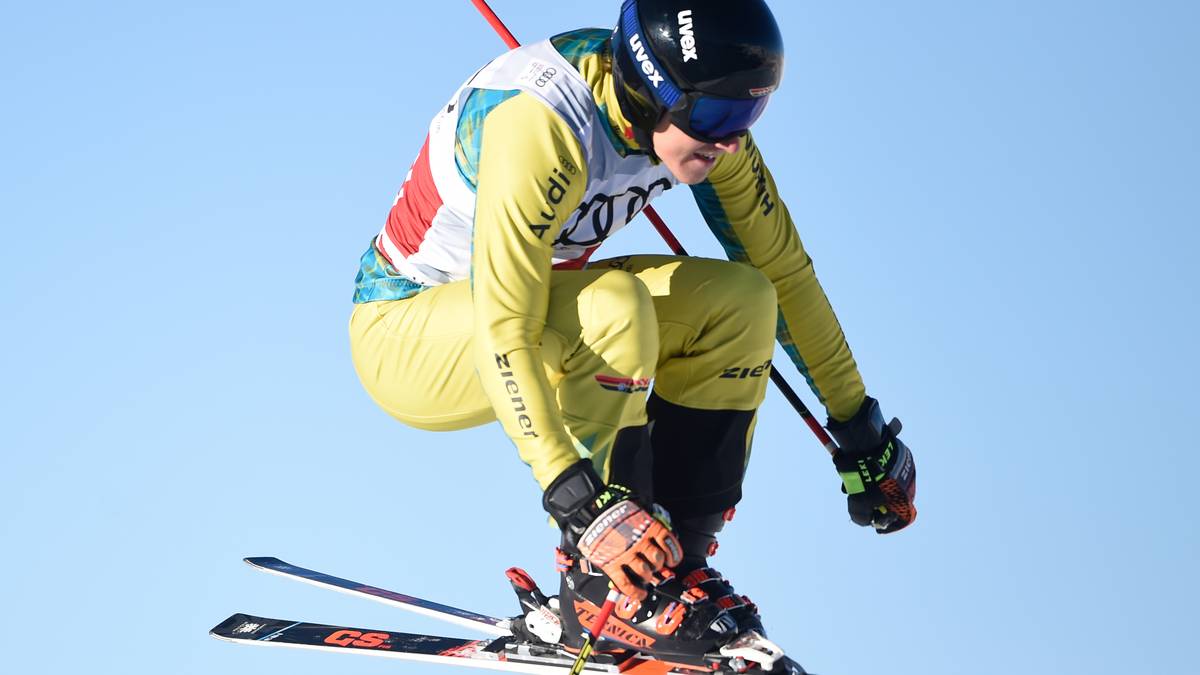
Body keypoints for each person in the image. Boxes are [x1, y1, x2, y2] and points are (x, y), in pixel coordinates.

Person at [348, 0, 917, 662]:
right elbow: (505, 327)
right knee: (616, 306)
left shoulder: (702, 129)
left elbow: (784, 272)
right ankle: (599, 585)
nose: (731, 139)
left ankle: (669, 577)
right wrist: (577, 499)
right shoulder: (542, 126)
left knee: (741, 303)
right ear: (651, 89)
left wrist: (860, 427)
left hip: (542, 316)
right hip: (408, 334)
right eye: (715, 115)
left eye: (748, 113)